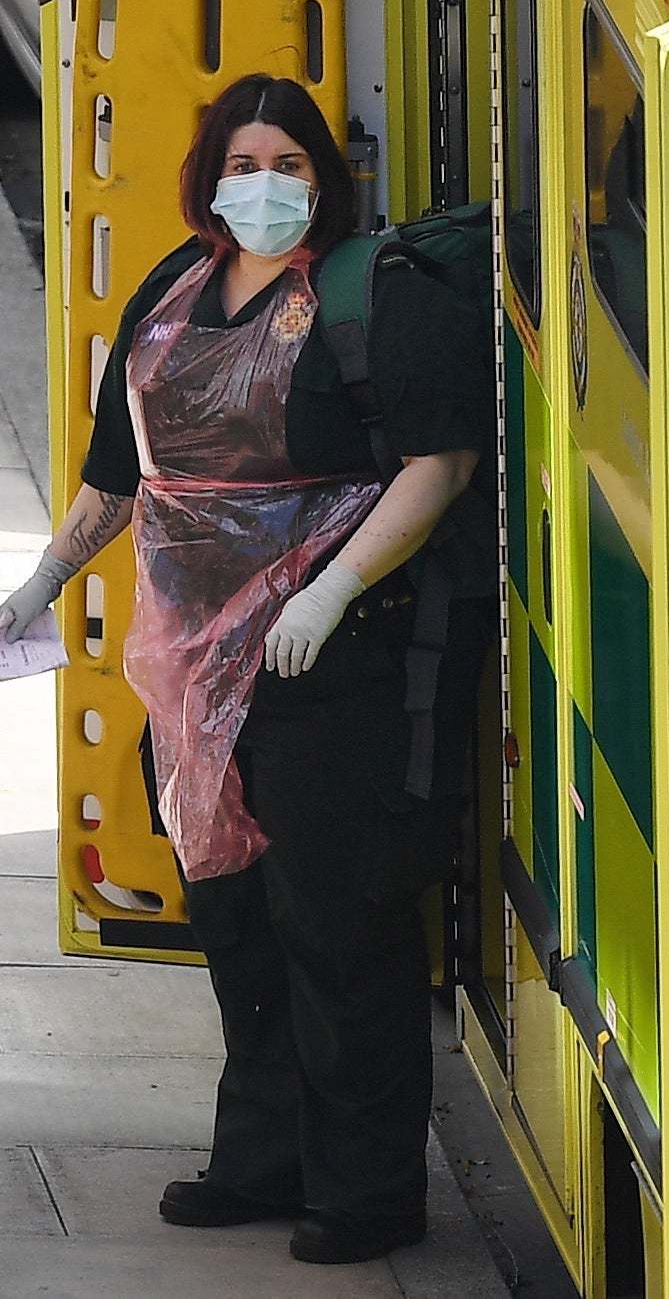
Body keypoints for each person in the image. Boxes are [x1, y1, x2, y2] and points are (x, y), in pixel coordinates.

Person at [0, 74, 492, 1261]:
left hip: (333, 664)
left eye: (286, 162)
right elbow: (121, 476)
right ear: (209, 173)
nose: (263, 184)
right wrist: (38, 588)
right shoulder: (173, 292)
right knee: (238, 921)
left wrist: (329, 590)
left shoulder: (375, 295)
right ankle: (259, 1159)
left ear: (323, 173)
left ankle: (364, 1192)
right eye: (244, 160)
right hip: (193, 679)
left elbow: (442, 461)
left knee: (341, 924)